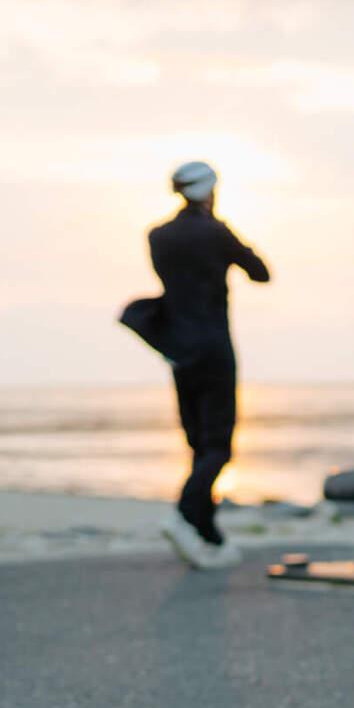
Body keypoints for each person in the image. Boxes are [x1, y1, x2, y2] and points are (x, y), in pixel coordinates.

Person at [118, 161, 271, 568]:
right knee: (218, 446)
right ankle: (185, 515)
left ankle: (208, 534)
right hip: (214, 347)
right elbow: (261, 273)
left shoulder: (158, 236)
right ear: (208, 192)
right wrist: (223, 235)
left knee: (197, 443)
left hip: (178, 350)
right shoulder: (215, 232)